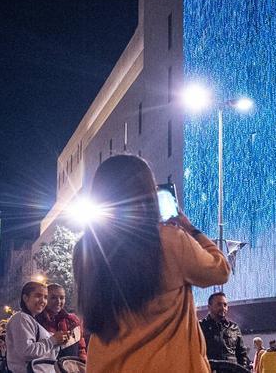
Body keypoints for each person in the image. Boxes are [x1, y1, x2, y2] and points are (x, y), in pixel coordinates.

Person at [73, 154, 229, 372]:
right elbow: (220, 270)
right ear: (147, 193)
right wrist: (191, 229)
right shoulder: (169, 240)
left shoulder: (85, 249)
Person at [6, 281, 73, 373]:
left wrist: (58, 342)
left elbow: (45, 354)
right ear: (25, 298)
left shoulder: (30, 320)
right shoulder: (21, 318)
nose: (43, 301)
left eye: (45, 297)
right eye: (38, 296)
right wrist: (53, 340)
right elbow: (27, 351)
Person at [36, 283, 86, 360]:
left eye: (62, 298)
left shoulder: (73, 320)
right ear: (45, 299)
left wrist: (83, 362)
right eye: (53, 298)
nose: (58, 301)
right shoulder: (37, 320)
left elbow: (81, 347)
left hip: (70, 367)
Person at [200, 291, 249, 367]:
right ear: (209, 307)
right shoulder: (200, 326)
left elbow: (242, 354)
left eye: (225, 305)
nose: (223, 308)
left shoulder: (234, 327)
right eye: (219, 304)